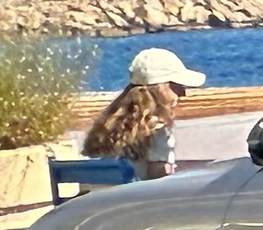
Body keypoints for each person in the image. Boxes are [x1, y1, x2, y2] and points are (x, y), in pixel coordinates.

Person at [82, 48, 207, 179]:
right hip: (136, 197)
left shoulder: (106, 128)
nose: (183, 93)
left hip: (101, 197)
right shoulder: (156, 131)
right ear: (161, 88)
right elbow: (158, 180)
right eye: (178, 85)